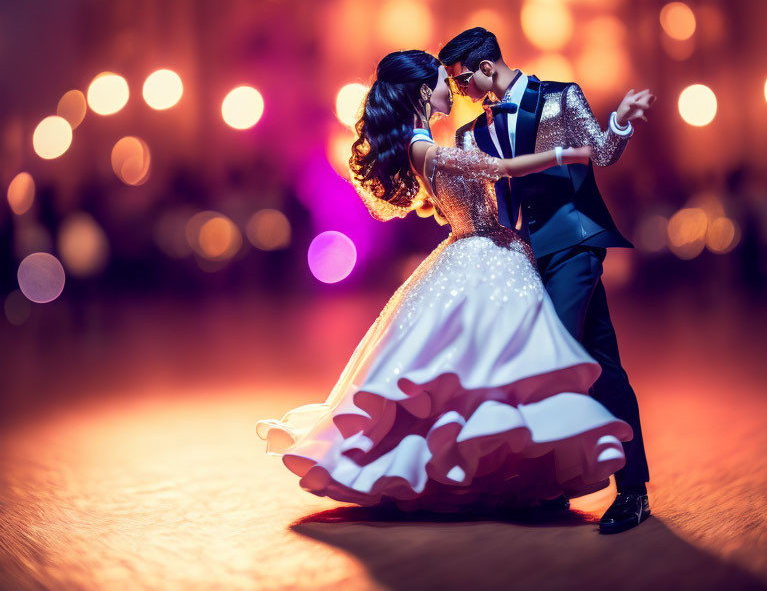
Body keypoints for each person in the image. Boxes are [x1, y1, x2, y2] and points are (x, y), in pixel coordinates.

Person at [256, 50, 634, 515]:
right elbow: (499, 171)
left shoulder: (432, 142)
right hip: (485, 249)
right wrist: (561, 154)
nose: (449, 90)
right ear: (422, 91)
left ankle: (514, 472)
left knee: (489, 372)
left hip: (490, 246)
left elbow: (453, 195)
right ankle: (517, 474)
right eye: (442, 81)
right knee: (499, 368)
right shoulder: (425, 147)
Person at [439, 27, 654, 533]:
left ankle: (597, 484)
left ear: (486, 68)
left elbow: (601, 154)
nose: (460, 90)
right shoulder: (471, 134)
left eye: (461, 78)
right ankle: (612, 488)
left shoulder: (560, 98)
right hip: (525, 256)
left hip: (576, 244)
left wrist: (619, 122)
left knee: (553, 351)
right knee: (600, 362)